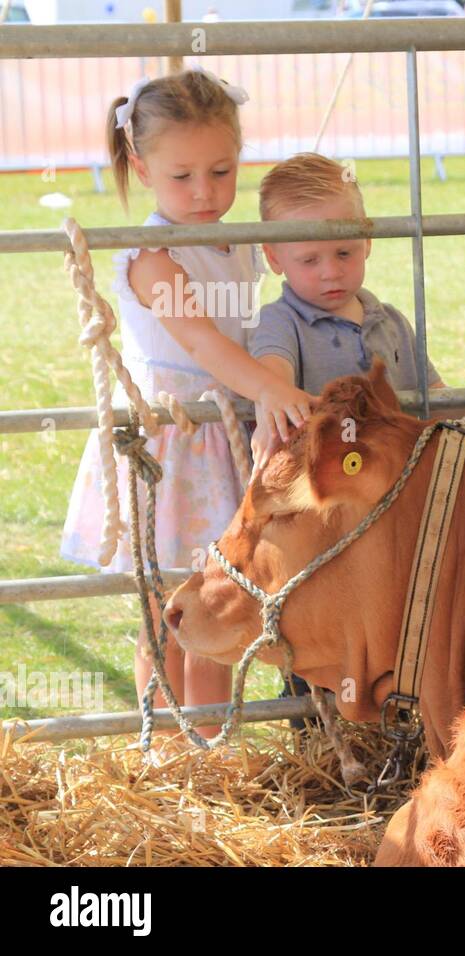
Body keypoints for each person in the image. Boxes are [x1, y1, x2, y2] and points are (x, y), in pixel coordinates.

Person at [60, 69, 317, 737]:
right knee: (169, 614)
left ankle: (210, 749)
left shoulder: (234, 245)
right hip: (174, 446)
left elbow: (247, 330)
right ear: (141, 166)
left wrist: (269, 380)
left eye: (221, 170)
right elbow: (203, 344)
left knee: (215, 606)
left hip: (225, 438)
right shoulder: (153, 256)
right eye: (182, 177)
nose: (204, 192)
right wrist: (266, 386)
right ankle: (165, 754)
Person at [249, 151, 465, 466]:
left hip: (396, 485)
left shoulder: (392, 323)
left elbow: (433, 407)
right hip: (327, 488)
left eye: (344, 252)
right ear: (274, 258)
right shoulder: (280, 322)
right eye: (310, 260)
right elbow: (273, 378)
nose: (331, 271)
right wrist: (275, 391)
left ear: (367, 241)